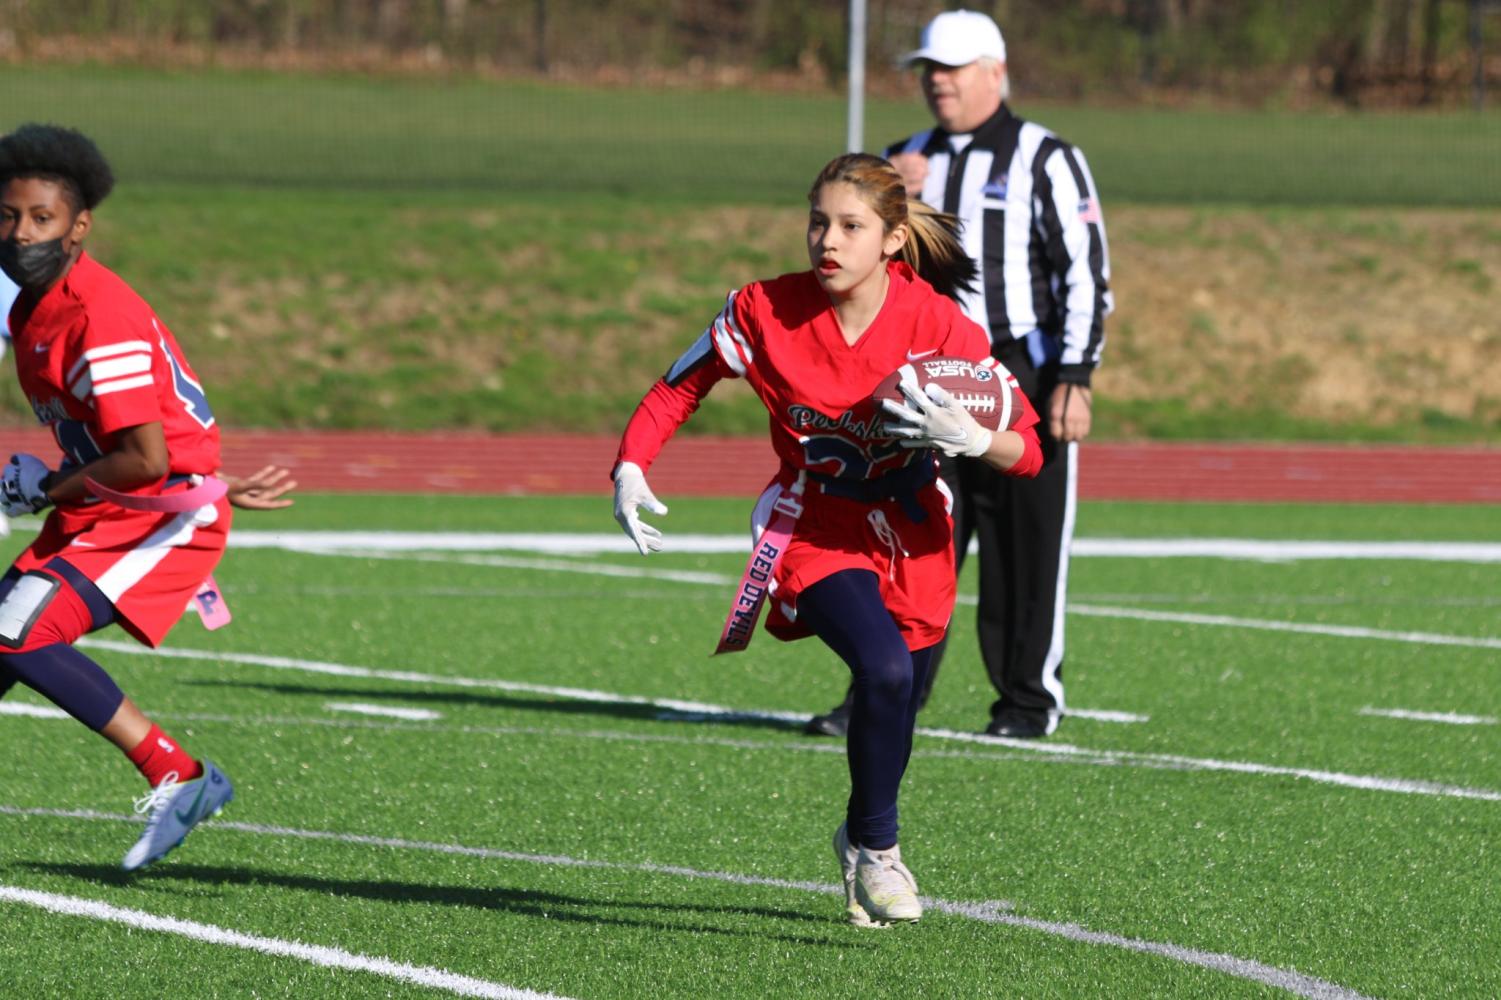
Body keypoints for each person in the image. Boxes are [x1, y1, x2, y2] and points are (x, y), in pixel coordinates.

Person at [612, 153, 1042, 925]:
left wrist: (973, 436)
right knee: (879, 671)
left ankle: (859, 835)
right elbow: (680, 384)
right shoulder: (763, 309)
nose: (827, 242)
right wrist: (631, 464)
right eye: (818, 222)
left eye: (850, 226)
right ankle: (881, 849)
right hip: (813, 521)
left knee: (898, 694)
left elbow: (1029, 451)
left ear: (892, 240)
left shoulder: (939, 325)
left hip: (913, 528)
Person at [805, 10, 1113, 741]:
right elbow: (862, 260)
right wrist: (898, 197)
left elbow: (1084, 273)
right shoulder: (897, 161)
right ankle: (883, 693)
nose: (936, 82)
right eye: (927, 69)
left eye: (951, 68)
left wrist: (1074, 374)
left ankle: (1026, 701)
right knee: (906, 542)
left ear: (993, 72)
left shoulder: (1046, 157)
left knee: (1025, 548)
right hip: (918, 376)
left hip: (1014, 372)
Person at [0, 123, 293, 872]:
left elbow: (143, 456)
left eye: (41, 218)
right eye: (8, 215)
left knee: (16, 630)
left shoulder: (99, 314)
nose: (20, 231)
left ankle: (180, 773)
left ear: (79, 226)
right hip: (111, 504)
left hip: (153, 512)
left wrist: (42, 490)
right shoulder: (29, 308)